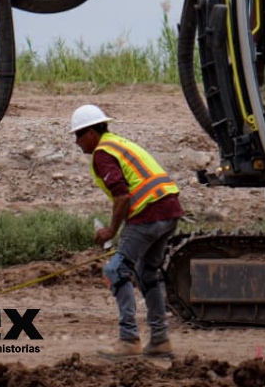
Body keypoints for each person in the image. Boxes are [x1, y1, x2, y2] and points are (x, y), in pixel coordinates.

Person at [72, 104, 183, 360]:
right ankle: (160, 340)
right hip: (169, 210)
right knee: (147, 273)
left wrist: (111, 230)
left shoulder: (102, 153)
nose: (77, 143)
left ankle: (129, 339)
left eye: (79, 135)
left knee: (116, 270)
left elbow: (122, 196)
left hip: (148, 213)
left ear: (91, 132)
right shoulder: (118, 143)